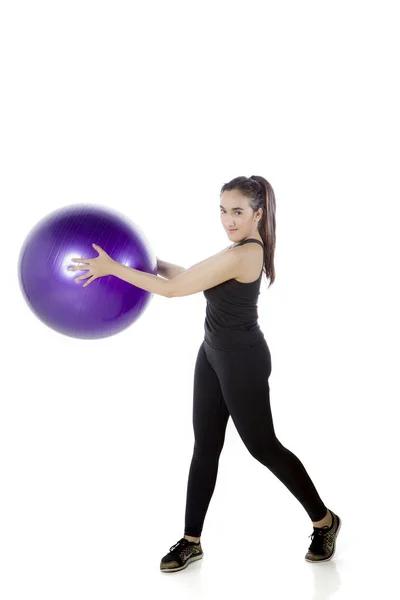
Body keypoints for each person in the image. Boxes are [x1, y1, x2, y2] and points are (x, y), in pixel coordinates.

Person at [68, 175, 341, 574]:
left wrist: (112, 269)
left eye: (238, 212)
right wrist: (151, 261)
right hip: (211, 355)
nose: (228, 220)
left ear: (258, 214)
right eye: (223, 211)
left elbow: (175, 291)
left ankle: (325, 521)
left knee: (263, 447)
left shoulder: (247, 253)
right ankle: (191, 540)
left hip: (243, 361)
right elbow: (186, 277)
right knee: (205, 447)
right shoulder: (233, 249)